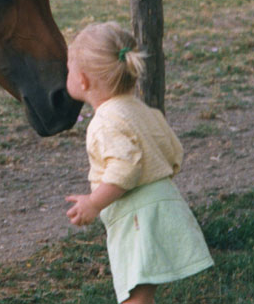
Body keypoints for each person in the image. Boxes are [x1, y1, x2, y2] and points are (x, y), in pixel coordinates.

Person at [64, 21, 213, 304]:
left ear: (82, 80)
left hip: (137, 218)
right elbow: (174, 152)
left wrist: (94, 203)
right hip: (163, 205)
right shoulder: (142, 110)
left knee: (135, 296)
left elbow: (125, 168)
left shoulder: (105, 121)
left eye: (69, 69)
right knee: (142, 292)